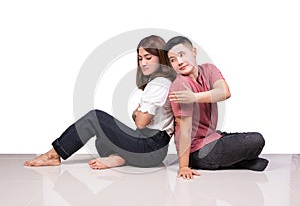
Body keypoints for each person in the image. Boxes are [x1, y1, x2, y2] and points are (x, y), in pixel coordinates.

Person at [24, 35, 177, 169]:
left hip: (150, 149)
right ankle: (120, 157)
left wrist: (137, 113)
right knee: (102, 140)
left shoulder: (159, 83)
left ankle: (53, 155)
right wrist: (137, 113)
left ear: (161, 58)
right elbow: (142, 121)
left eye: (148, 58)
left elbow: (141, 123)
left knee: (94, 118)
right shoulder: (157, 82)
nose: (143, 63)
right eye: (140, 58)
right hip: (149, 147)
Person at [164, 36, 269, 179]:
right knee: (256, 140)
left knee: (252, 141)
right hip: (197, 151)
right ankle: (233, 161)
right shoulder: (179, 85)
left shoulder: (209, 69)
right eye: (173, 60)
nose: (179, 62)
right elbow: (184, 128)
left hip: (212, 137)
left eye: (182, 54)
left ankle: (235, 161)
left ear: (194, 51)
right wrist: (184, 166)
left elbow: (224, 92)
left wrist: (194, 97)